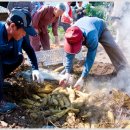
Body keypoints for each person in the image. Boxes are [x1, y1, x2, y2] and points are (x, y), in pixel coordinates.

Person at [59, 16, 127, 90]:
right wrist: (67, 72)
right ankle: (69, 73)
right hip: (85, 26)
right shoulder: (70, 35)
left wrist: (83, 77)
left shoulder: (91, 35)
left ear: (83, 39)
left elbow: (90, 58)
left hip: (100, 28)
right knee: (70, 54)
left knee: (112, 47)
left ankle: (125, 71)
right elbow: (68, 54)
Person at [0, 7, 43, 114]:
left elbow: (29, 50)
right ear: (13, 26)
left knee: (19, 58)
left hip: (2, 60)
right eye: (24, 31)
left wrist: (35, 69)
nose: (25, 34)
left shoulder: (20, 36)